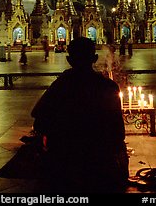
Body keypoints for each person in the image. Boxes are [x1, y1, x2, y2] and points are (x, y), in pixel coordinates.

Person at [31, 37, 129, 193]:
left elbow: (38, 117)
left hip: (66, 159)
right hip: (101, 160)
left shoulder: (62, 85)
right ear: (95, 58)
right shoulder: (107, 86)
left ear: (69, 60)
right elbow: (118, 132)